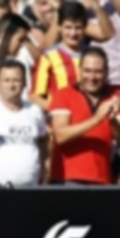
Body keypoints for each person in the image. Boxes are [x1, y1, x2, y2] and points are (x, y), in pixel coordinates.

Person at [0, 60, 48, 188]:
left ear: (24, 83)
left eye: (16, 80)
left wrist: (45, 166)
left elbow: (43, 139)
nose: (11, 85)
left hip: (29, 189)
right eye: (6, 80)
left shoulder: (35, 111)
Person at [49, 47, 120, 185]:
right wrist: (97, 119)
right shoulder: (64, 94)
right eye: (87, 71)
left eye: (98, 72)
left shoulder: (114, 96)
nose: (92, 77)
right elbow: (61, 136)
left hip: (102, 178)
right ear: (79, 70)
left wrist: (112, 121)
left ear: (106, 72)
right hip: (68, 178)